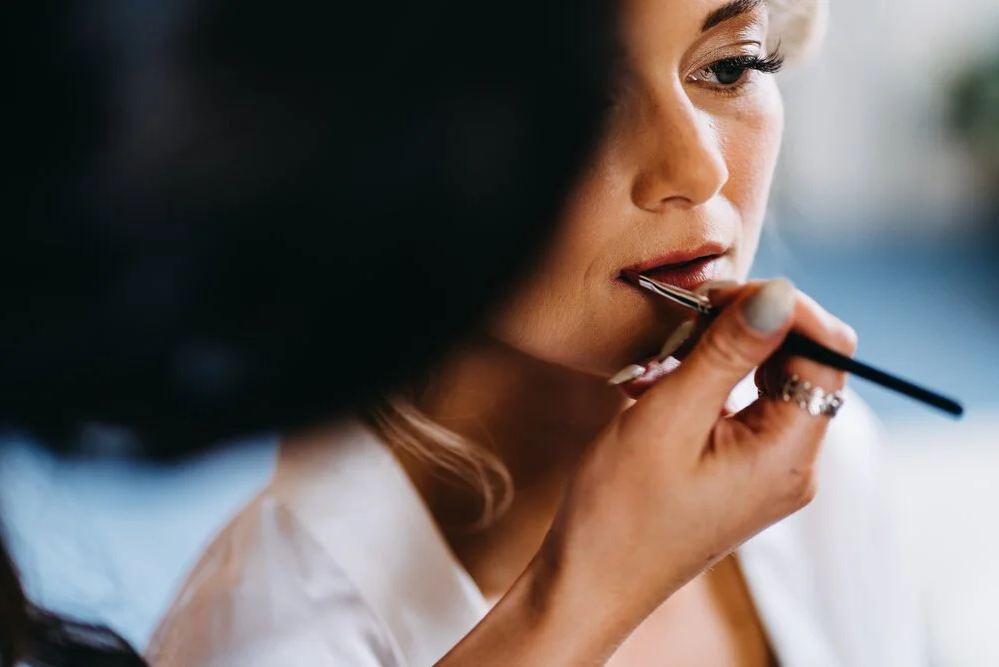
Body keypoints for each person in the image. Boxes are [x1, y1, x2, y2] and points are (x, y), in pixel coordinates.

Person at [149, 0, 925, 665]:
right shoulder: (267, 621)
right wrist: (587, 598)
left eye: (728, 67)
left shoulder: (812, 455)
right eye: (577, 99)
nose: (697, 168)